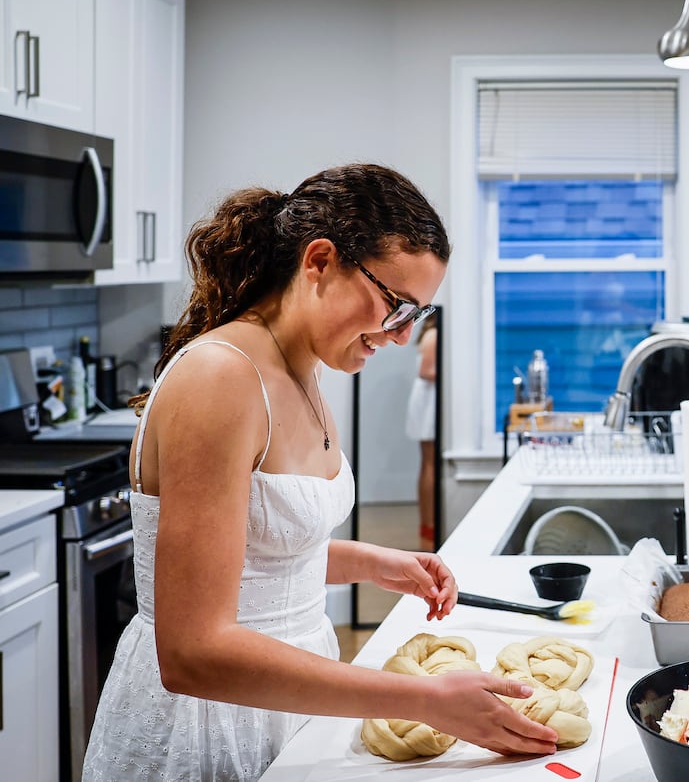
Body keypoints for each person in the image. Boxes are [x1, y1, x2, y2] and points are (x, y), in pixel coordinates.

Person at [83, 164, 558, 780]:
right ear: (319, 261)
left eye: (418, 316)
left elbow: (249, 556)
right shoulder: (221, 378)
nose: (399, 336)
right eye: (396, 305)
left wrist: (370, 562)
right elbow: (191, 652)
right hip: (208, 722)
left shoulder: (301, 367)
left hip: (285, 701)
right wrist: (427, 702)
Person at [406, 313, 440, 550]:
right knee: (429, 462)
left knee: (428, 461)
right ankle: (428, 523)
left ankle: (428, 523)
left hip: (426, 399)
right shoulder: (435, 335)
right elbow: (427, 370)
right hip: (428, 400)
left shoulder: (428, 334)